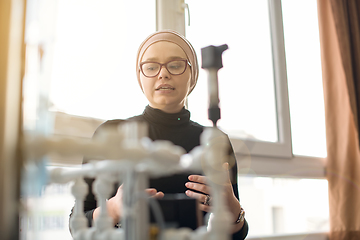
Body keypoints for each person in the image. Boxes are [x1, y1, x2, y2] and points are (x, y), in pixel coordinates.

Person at [76, 30, 249, 239]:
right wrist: (112, 209)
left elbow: (236, 235)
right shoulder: (111, 135)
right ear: (140, 76)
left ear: (192, 74)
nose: (163, 74)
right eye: (151, 66)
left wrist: (231, 208)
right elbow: (77, 227)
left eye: (175, 65)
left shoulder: (215, 141)